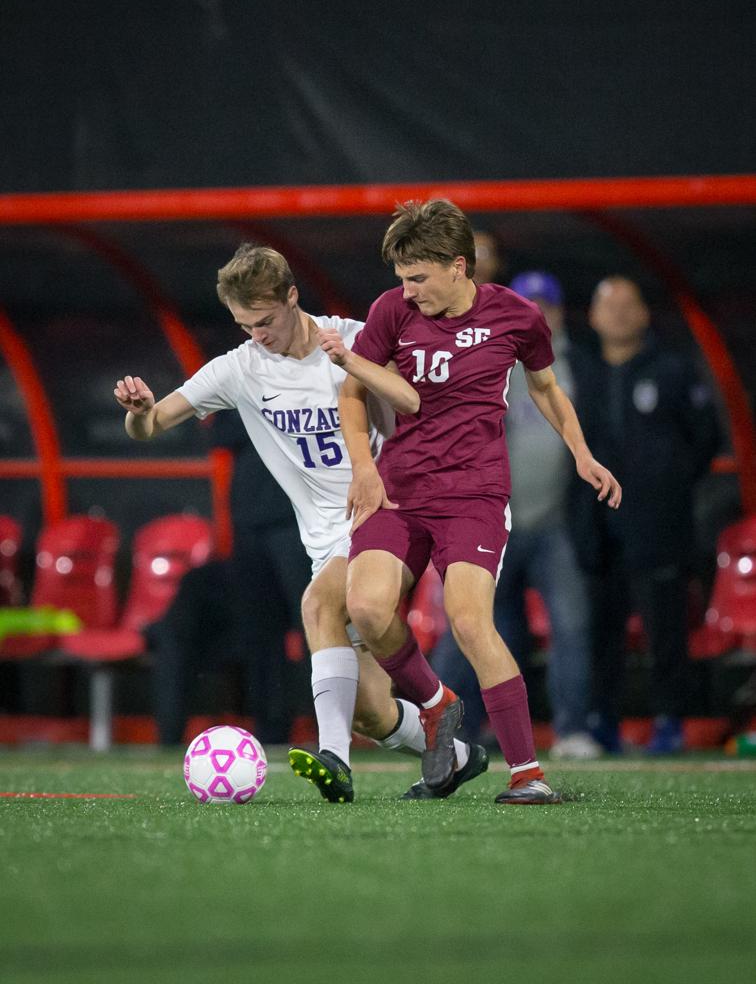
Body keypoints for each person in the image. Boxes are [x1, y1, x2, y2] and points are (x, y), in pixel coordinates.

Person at [114, 244, 482, 802]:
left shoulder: (358, 339)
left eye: (265, 321)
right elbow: (152, 425)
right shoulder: (240, 368)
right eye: (244, 325)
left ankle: (334, 759)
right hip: (325, 541)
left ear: (293, 297)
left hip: (388, 521)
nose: (257, 335)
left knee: (316, 603)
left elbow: (420, 404)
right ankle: (458, 755)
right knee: (368, 710)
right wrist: (139, 413)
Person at [320, 199, 621, 805]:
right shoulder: (392, 311)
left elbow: (546, 388)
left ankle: (528, 775)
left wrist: (582, 454)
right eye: (401, 278)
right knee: (368, 609)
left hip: (474, 495)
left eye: (418, 278)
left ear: (460, 267)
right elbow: (352, 395)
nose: (407, 290)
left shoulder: (516, 316)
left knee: (469, 620)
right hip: (399, 491)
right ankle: (437, 706)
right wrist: (364, 469)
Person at [431, 270, 601, 759]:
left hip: (555, 522)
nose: (537, 313)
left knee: (571, 624)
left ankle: (572, 730)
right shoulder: (486, 359)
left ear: (558, 312)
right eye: (528, 305)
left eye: (545, 306)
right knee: (470, 628)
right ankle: (447, 731)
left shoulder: (577, 366)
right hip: (490, 523)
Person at [569, 276, 721, 754]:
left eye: (627, 305)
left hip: (657, 525)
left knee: (664, 631)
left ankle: (670, 721)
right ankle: (601, 724)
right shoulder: (581, 375)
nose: (617, 315)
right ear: (592, 317)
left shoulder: (673, 370)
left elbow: (705, 439)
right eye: (607, 306)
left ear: (644, 314)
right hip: (598, 526)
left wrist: (666, 485)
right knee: (602, 631)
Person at [147, 410, 312, 747]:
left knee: (314, 627)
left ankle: (333, 732)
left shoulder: (311, 377)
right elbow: (218, 435)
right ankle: (272, 733)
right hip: (249, 521)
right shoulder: (244, 374)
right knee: (261, 636)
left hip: (300, 520)